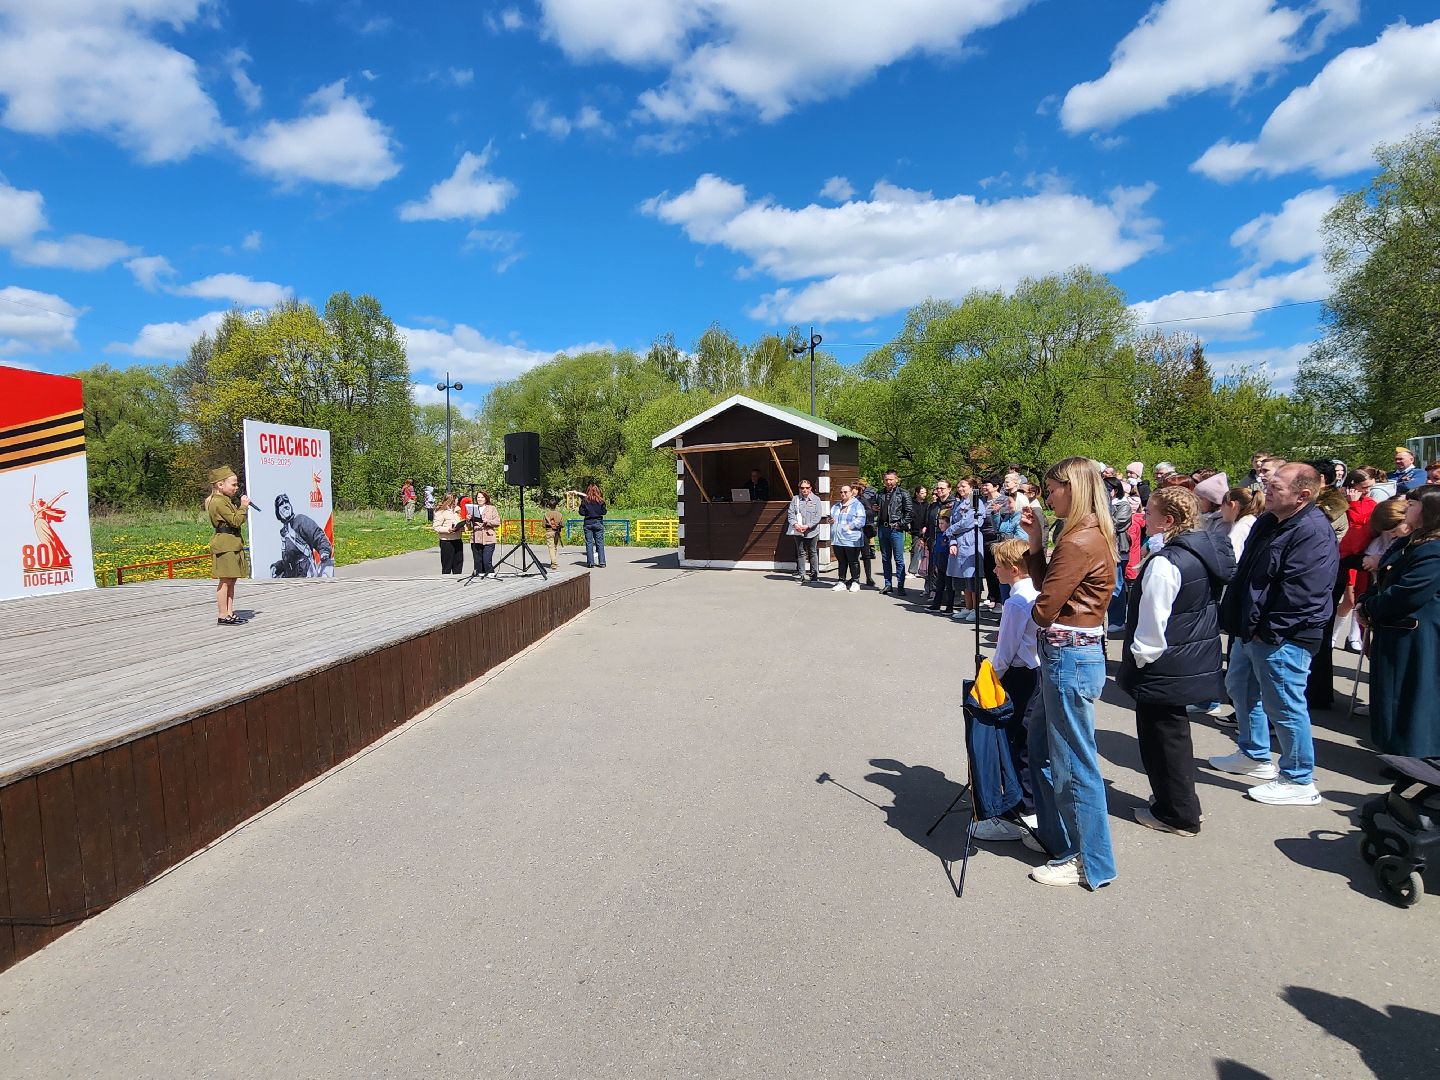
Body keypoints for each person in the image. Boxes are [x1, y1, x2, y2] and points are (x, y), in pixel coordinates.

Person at [1209, 464, 1338, 806]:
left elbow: (1304, 594)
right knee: (1241, 688)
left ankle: (1299, 779)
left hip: (1282, 637)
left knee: (1284, 705)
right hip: (1251, 630)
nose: (1264, 490)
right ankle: (1254, 755)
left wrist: (1269, 633)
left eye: (1275, 486)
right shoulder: (1268, 521)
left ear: (1303, 495)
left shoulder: (1312, 531)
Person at [1020, 457, 1118, 890]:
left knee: (1074, 764)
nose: (1048, 495)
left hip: (1070, 658)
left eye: (1054, 488)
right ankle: (1058, 839)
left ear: (1074, 488)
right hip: (1067, 655)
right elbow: (1049, 592)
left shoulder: (1080, 539)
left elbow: (1043, 609)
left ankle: (1089, 861)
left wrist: (1038, 600)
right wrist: (1038, 542)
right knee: (1041, 748)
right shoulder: (1079, 533)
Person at [1119, 487, 1235, 837]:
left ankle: (1178, 813)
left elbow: (1154, 617)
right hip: (1188, 655)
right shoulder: (1200, 551)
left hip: (1164, 661)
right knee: (1173, 735)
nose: (1144, 517)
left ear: (1168, 520)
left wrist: (1142, 656)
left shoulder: (1168, 562)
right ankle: (1178, 803)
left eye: (1150, 512)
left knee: (1162, 739)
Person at [1357, 485, 1440, 757]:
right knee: (1391, 694)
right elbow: (1383, 578)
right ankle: (1394, 752)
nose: (1407, 508)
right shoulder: (1409, 541)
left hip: (1416, 634)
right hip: (1394, 629)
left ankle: (1414, 759)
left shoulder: (1434, 550)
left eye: (1414, 504)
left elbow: (1407, 594)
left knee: (1411, 696)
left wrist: (1370, 606)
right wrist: (1366, 601)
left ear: (1431, 512)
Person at [970, 538, 1043, 843]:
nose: (994, 570)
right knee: (1026, 742)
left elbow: (1005, 653)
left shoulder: (1015, 603)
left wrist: (986, 679)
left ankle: (1018, 813)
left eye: (998, 565)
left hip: (1019, 676)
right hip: (1037, 673)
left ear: (1013, 569)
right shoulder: (1036, 592)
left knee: (1013, 742)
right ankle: (1029, 808)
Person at [206, 465, 250, 625]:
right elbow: (236, 521)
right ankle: (223, 614)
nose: (236, 488)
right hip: (225, 545)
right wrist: (244, 506)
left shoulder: (225, 501)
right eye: (233, 484)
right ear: (220, 485)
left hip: (232, 543)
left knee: (231, 580)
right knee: (225, 581)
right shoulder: (218, 502)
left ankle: (229, 613)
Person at [270, 493, 334, 578]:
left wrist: (324, 551)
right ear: (277, 511)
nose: (285, 505)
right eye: (281, 504)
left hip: (306, 575)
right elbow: (291, 558)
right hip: (292, 578)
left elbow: (318, 535)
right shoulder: (284, 532)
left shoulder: (301, 520)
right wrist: (277, 566)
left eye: (287, 502)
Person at [944, 479, 981, 623]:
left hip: (970, 541)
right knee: (963, 578)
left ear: (972, 487)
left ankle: (975, 609)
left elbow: (967, 522)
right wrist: (952, 540)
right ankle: (967, 606)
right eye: (958, 486)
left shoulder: (975, 500)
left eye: (963, 486)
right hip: (959, 541)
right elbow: (953, 521)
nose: (960, 488)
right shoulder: (958, 502)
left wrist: (949, 530)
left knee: (972, 576)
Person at [874, 469, 914, 596]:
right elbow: (877, 509)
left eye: (891, 479)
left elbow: (909, 513)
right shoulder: (880, 493)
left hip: (895, 529)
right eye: (886, 479)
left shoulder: (903, 493)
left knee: (898, 558)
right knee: (885, 558)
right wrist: (875, 509)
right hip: (883, 528)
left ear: (896, 479)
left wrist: (900, 524)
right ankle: (888, 584)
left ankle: (900, 585)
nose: (888, 482)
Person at [829, 484, 866, 592]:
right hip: (837, 539)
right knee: (841, 561)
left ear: (851, 493)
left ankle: (855, 581)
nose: (843, 494)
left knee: (853, 561)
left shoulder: (857, 505)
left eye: (845, 492)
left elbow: (861, 520)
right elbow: (832, 518)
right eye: (841, 492)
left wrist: (849, 526)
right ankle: (841, 581)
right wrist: (830, 521)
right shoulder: (836, 506)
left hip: (851, 539)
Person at [924, 479, 956, 601]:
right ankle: (935, 591)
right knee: (934, 567)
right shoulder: (933, 505)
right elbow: (928, 522)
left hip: (948, 539)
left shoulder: (953, 504)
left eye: (942, 488)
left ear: (949, 489)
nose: (939, 490)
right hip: (934, 539)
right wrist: (927, 538)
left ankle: (951, 596)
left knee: (946, 569)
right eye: (937, 488)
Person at [787, 479, 824, 582]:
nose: (805, 490)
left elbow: (818, 516)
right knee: (801, 553)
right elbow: (790, 514)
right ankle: (802, 574)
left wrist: (808, 526)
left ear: (810, 488)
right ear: (799, 489)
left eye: (807, 488)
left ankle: (814, 574)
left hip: (812, 531)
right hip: (798, 531)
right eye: (802, 488)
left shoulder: (816, 499)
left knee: (812, 552)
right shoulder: (795, 499)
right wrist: (795, 524)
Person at [1220, 486, 1265, 561]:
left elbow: (1231, 559)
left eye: (1222, 505)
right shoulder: (1252, 521)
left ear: (1232, 505)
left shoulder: (1241, 528)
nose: (1221, 510)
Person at [468, 489, 501, 578]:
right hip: (476, 537)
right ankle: (479, 576)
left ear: (486, 498)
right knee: (478, 560)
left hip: (488, 537)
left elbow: (497, 522)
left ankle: (490, 574)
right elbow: (469, 527)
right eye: (478, 497)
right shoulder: (473, 509)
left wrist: (488, 521)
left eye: (482, 497)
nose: (480, 499)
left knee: (487, 560)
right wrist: (468, 520)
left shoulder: (492, 508)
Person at [854, 477, 880, 586]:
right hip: (851, 532)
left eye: (855, 489)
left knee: (866, 555)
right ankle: (855, 578)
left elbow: (871, 513)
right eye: (852, 489)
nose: (854, 491)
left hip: (863, 530)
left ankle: (869, 577)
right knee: (854, 556)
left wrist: (859, 513)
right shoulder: (848, 501)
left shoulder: (863, 500)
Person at [433, 494, 464, 574]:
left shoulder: (458, 510)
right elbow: (436, 527)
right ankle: (445, 581)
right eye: (456, 500)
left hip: (457, 539)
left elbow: (460, 522)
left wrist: (462, 527)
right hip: (447, 541)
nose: (457, 501)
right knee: (447, 565)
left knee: (458, 563)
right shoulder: (441, 511)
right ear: (451, 501)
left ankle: (457, 580)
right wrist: (447, 530)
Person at [579, 483, 607, 568]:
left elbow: (581, 512)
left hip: (588, 523)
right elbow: (604, 512)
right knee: (600, 543)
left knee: (589, 543)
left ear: (588, 491)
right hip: (598, 522)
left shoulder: (585, 501)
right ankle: (602, 562)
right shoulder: (601, 501)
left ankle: (590, 563)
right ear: (597, 491)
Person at [907, 485, 929, 578]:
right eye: (922, 493)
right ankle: (912, 571)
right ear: (917, 493)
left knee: (926, 551)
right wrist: (907, 528)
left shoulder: (927, 504)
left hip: (926, 529)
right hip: (915, 530)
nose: (924, 495)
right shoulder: (911, 504)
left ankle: (925, 569)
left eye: (925, 493)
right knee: (915, 549)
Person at [541, 498, 564, 570]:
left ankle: (554, 564)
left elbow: (543, 525)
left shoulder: (546, 514)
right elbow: (562, 525)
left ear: (549, 506)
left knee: (551, 548)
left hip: (549, 532)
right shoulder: (560, 514)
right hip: (556, 532)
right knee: (555, 547)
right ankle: (553, 562)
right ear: (556, 506)